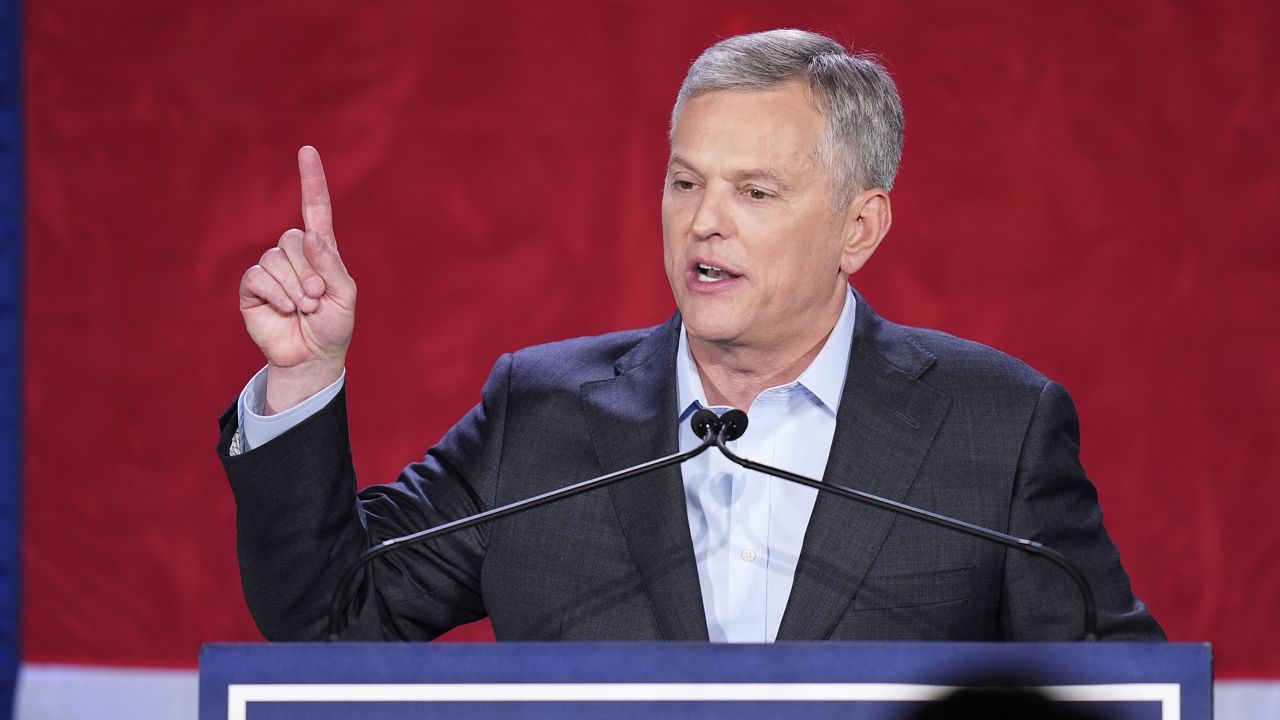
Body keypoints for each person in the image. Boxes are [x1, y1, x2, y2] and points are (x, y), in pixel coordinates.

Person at [219, 29, 1164, 643]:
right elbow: (329, 618)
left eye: (754, 192)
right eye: (685, 183)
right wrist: (305, 378)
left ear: (859, 229)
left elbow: (1119, 694)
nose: (704, 222)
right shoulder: (540, 415)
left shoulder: (995, 427)